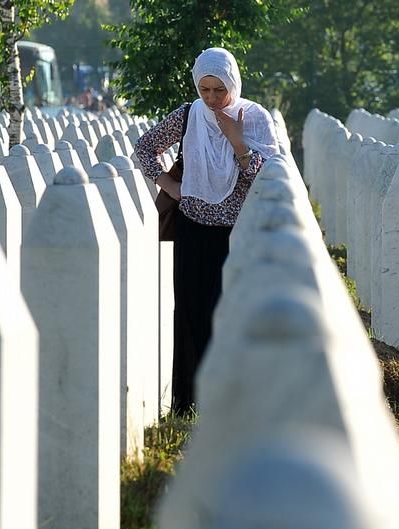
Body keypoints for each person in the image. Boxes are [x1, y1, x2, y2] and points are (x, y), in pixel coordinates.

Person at [135, 47, 281, 414]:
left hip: (237, 235)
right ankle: (187, 404)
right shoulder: (188, 116)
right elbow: (144, 149)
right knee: (189, 313)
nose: (213, 99)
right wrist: (171, 187)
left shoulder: (254, 119)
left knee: (230, 314)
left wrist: (237, 141)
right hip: (192, 229)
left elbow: (267, 176)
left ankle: (231, 405)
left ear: (234, 83)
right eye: (205, 90)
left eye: (220, 90)